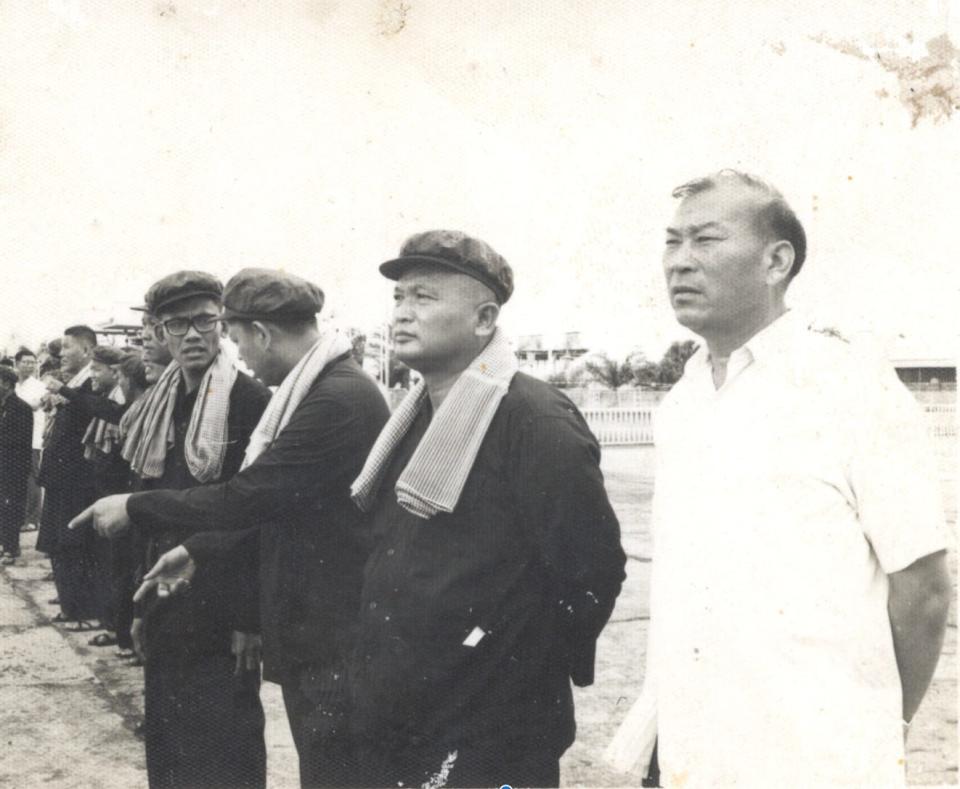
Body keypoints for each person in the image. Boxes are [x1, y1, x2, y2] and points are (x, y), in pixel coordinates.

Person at [638, 170, 951, 787]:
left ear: (776, 260)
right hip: (692, 754)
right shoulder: (684, 398)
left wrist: (881, 728)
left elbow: (924, 590)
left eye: (705, 240)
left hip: (815, 762)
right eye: (672, 242)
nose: (680, 262)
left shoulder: (850, 384)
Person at [76, 268, 391, 787]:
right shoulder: (164, 399)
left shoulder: (274, 399)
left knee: (233, 747)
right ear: (158, 331)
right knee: (175, 739)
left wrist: (138, 509)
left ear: (254, 333)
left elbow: (251, 500)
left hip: (248, 608)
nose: (200, 337)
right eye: (178, 325)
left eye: (213, 324)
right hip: (178, 588)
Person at [345, 230, 626, 787]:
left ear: (483, 319)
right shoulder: (415, 415)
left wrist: (507, 663)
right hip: (403, 706)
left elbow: (593, 572)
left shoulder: (533, 419)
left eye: (423, 298)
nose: (401, 313)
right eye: (398, 298)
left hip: (490, 726)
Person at [36, 324, 99, 628]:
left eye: (67, 347)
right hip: (60, 479)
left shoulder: (90, 386)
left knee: (72, 543)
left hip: (75, 480)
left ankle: (80, 609)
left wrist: (63, 392)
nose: (61, 354)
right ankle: (70, 605)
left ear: (86, 350)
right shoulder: (74, 384)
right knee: (58, 543)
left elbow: (88, 412)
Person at [0, 365, 34, 563]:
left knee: (12, 506)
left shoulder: (21, 408)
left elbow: (19, 440)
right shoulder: (3, 406)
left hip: (14, 467)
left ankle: (12, 548)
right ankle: (4, 543)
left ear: (6, 383)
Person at [14, 348, 46, 531]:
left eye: (32, 362)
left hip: (33, 438)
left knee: (32, 478)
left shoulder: (38, 386)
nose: (29, 365)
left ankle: (33, 519)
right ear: (16, 364)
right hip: (14, 439)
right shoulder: (14, 386)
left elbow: (35, 406)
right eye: (25, 362)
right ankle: (20, 517)